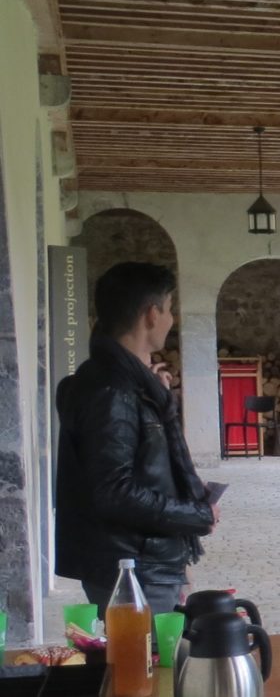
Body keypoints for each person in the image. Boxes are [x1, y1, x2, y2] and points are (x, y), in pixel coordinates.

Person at [56, 262, 217, 616]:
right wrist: (194, 514)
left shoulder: (128, 385)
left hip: (144, 561)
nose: (171, 320)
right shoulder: (113, 391)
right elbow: (114, 491)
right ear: (151, 313)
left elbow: (138, 466)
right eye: (169, 309)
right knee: (148, 667)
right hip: (133, 569)